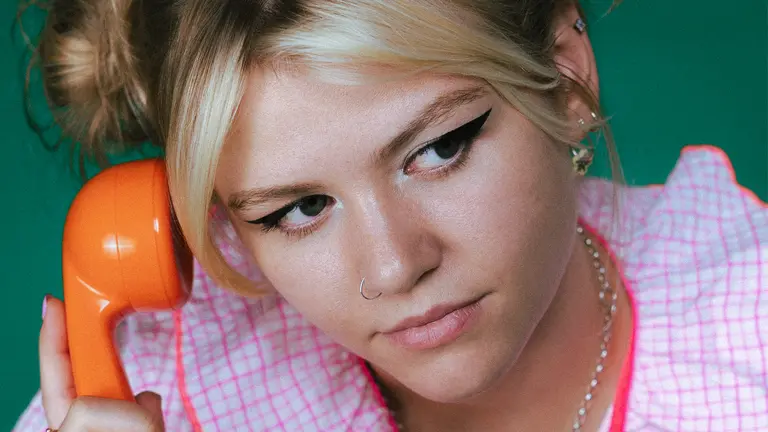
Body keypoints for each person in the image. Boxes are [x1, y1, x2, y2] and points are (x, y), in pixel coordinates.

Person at [12, 0, 767, 430]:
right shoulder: (163, 381)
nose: (394, 265)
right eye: (300, 208)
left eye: (438, 151)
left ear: (567, 79)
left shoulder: (748, 343)